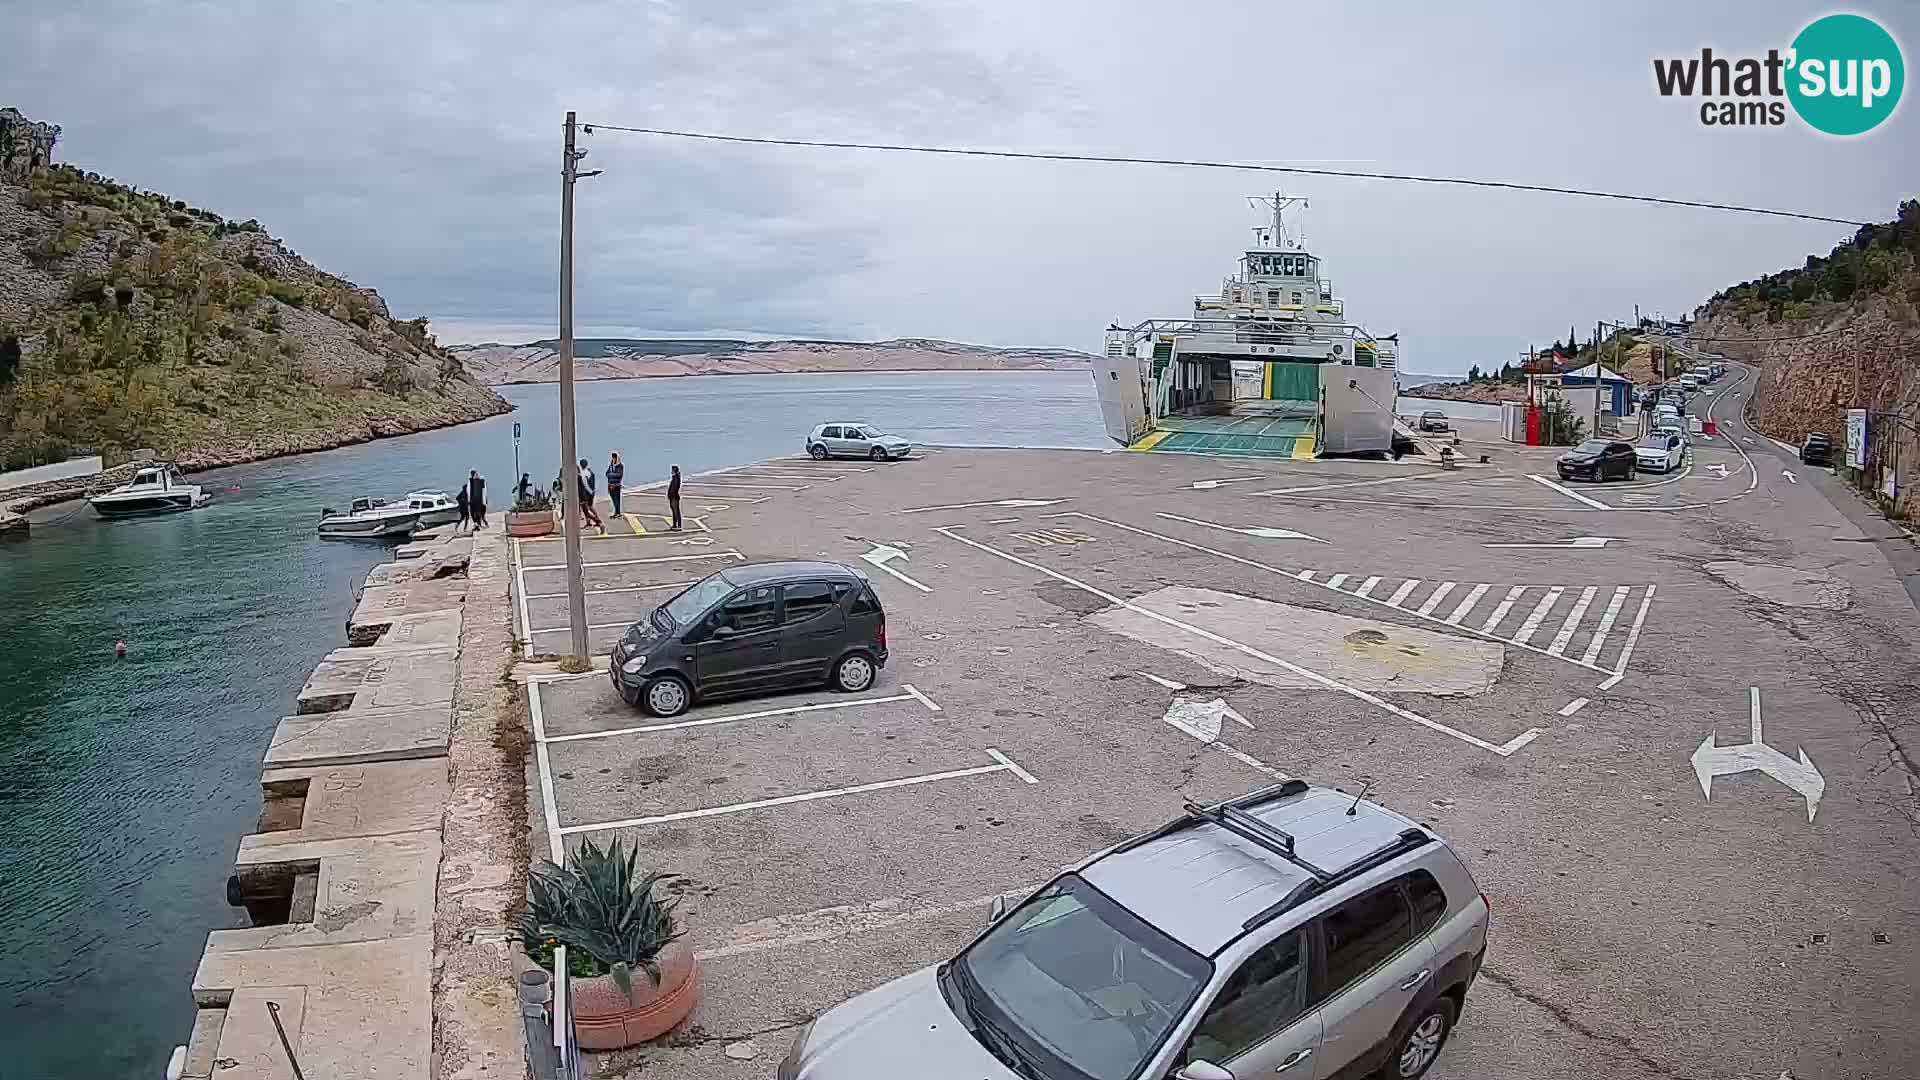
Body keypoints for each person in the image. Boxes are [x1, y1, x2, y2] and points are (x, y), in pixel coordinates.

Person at [577, 458, 603, 532]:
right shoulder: (589, 472)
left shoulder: (583, 474)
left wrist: (590, 492)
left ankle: (597, 520)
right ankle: (592, 521)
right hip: (588, 493)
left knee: (588, 508)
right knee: (588, 508)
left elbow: (586, 485)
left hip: (586, 494)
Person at [667, 464, 682, 530]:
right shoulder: (676, 477)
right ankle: (677, 525)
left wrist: (671, 495)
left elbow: (674, 488)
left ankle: (676, 525)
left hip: (674, 497)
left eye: (672, 470)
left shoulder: (675, 478)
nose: (671, 471)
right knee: (676, 511)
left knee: (675, 511)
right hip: (674, 496)